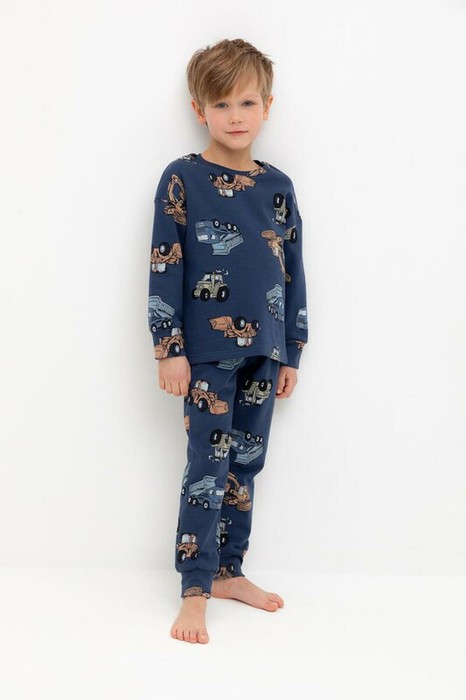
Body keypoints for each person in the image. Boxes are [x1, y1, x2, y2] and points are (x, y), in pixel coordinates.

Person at [148, 38, 309, 644]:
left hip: (265, 349)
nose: (235, 116)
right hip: (205, 354)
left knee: (247, 463)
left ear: (267, 106)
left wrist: (292, 348)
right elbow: (165, 264)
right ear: (200, 109)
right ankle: (194, 590)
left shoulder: (279, 187)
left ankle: (229, 573)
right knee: (206, 467)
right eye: (221, 104)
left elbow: (292, 271)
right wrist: (169, 347)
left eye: (246, 102)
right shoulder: (183, 178)